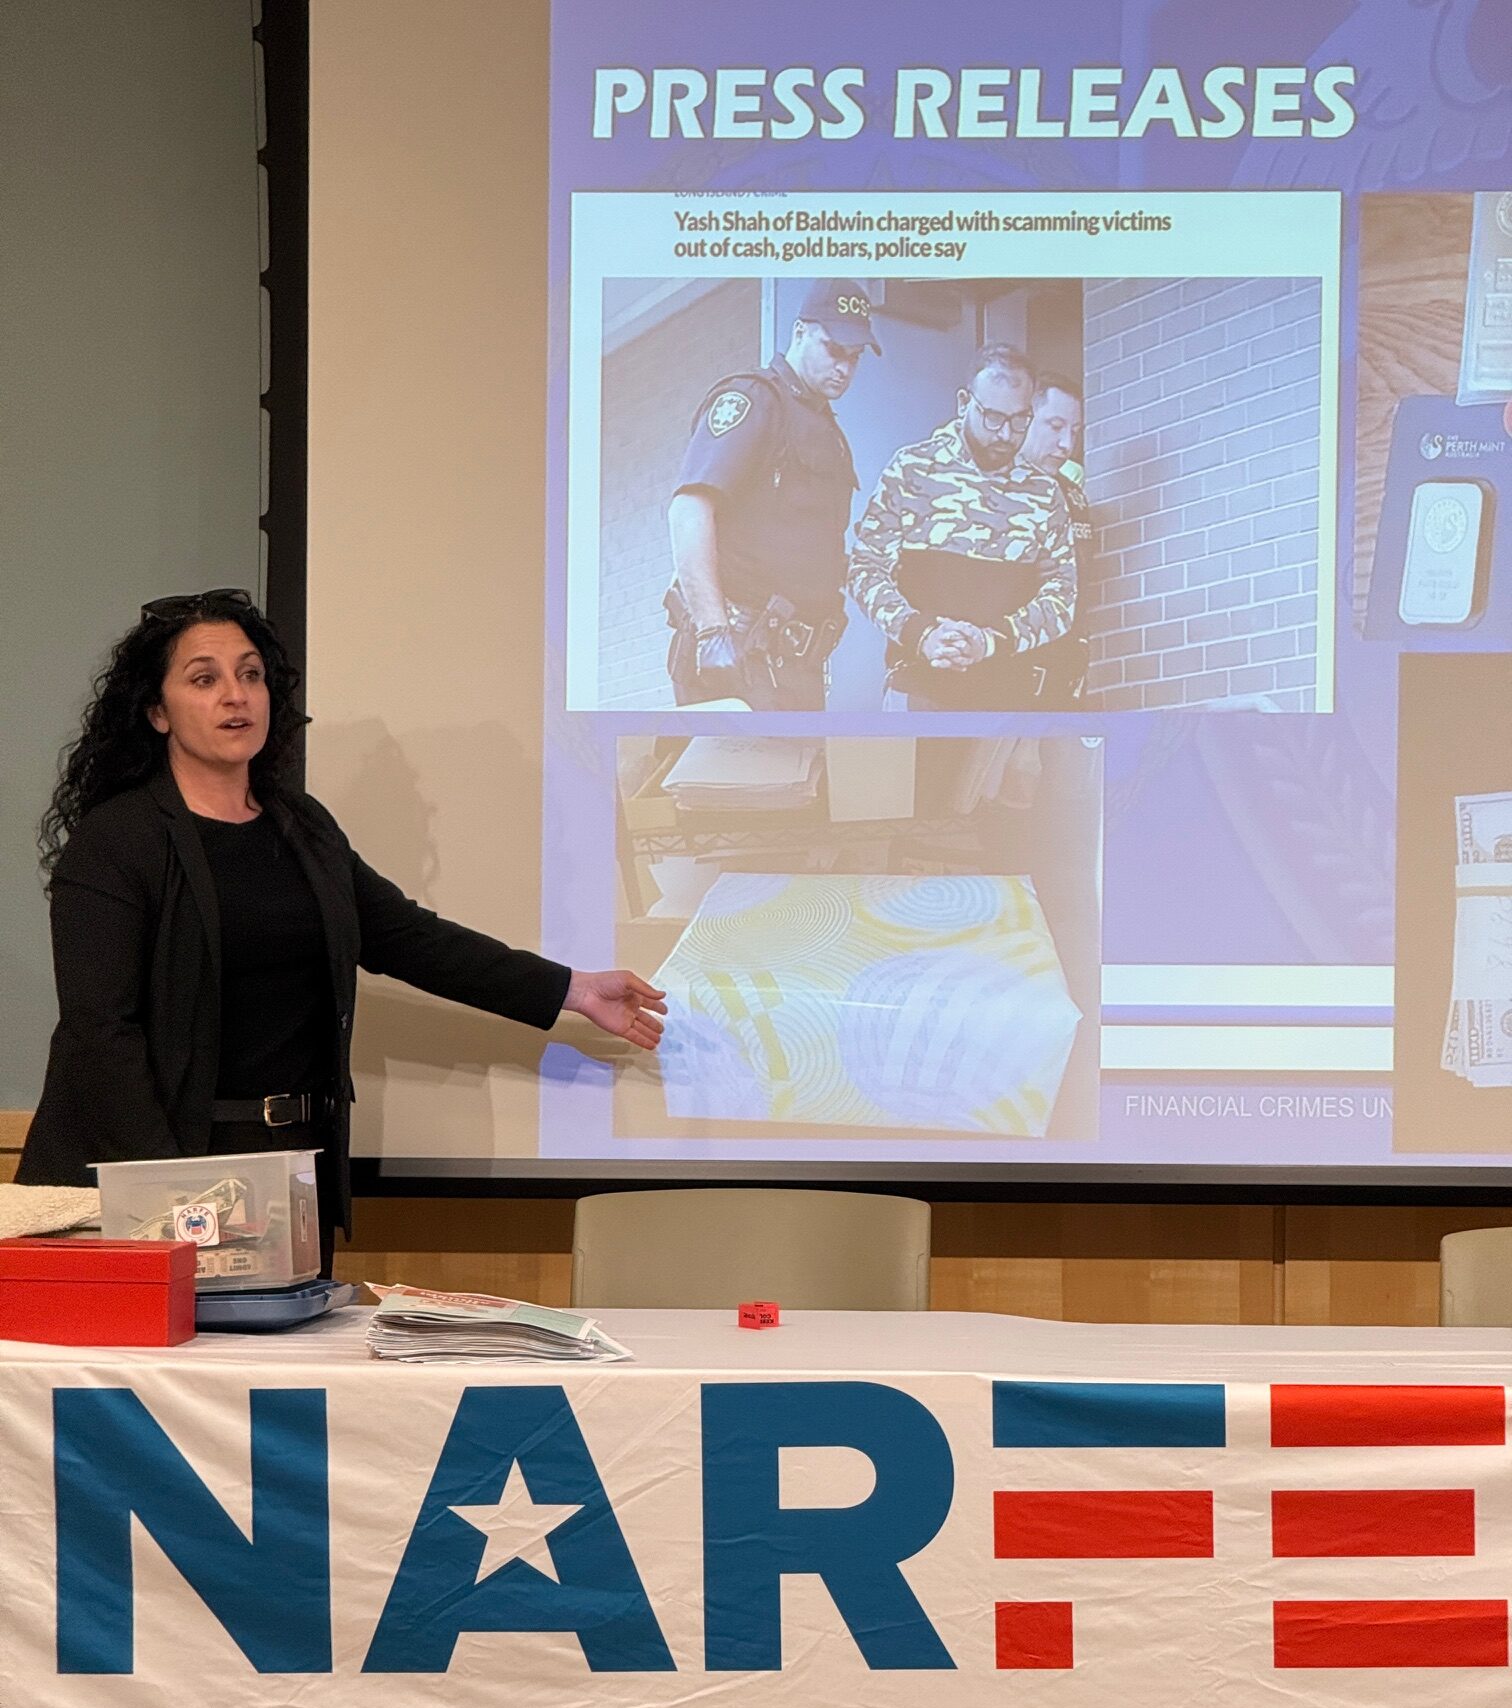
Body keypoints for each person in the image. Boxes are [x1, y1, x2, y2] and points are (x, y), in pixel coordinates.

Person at [17, 590, 665, 1270]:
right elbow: (100, 1033)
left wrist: (571, 987)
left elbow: (408, 937)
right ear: (158, 711)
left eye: (251, 674)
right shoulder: (118, 841)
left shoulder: (302, 828)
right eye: (204, 679)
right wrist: (173, 1196)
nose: (235, 696)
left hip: (291, 1170)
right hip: (169, 1166)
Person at [664, 279, 877, 711]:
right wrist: (712, 632)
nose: (845, 368)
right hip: (740, 649)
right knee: (732, 779)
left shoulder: (824, 427)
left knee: (794, 778)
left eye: (855, 359)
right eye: (834, 350)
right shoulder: (756, 400)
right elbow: (688, 509)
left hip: (792, 664)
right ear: (799, 332)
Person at [847, 341, 1076, 712]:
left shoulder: (1044, 494)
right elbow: (865, 570)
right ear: (963, 403)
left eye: (1020, 420)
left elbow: (1062, 600)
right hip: (918, 681)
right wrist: (921, 633)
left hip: (1007, 693)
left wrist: (989, 641)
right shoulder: (911, 469)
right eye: (993, 418)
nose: (1005, 434)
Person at [1019, 373, 1092, 707]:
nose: (1066, 444)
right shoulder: (988, 487)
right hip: (1005, 666)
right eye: (1055, 426)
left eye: (1074, 432)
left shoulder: (1073, 496)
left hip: (1063, 668)